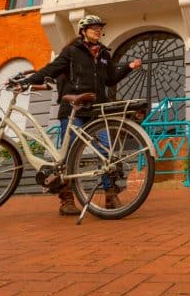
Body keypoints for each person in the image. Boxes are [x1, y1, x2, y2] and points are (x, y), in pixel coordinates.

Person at [21, 14, 142, 216]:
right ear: (83, 31)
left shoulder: (104, 54)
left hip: (96, 110)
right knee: (68, 156)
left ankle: (111, 195)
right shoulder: (71, 52)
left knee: (106, 154)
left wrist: (128, 68)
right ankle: (66, 199)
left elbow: (110, 80)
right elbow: (51, 69)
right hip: (73, 111)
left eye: (99, 27)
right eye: (92, 27)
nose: (97, 30)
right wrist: (29, 81)